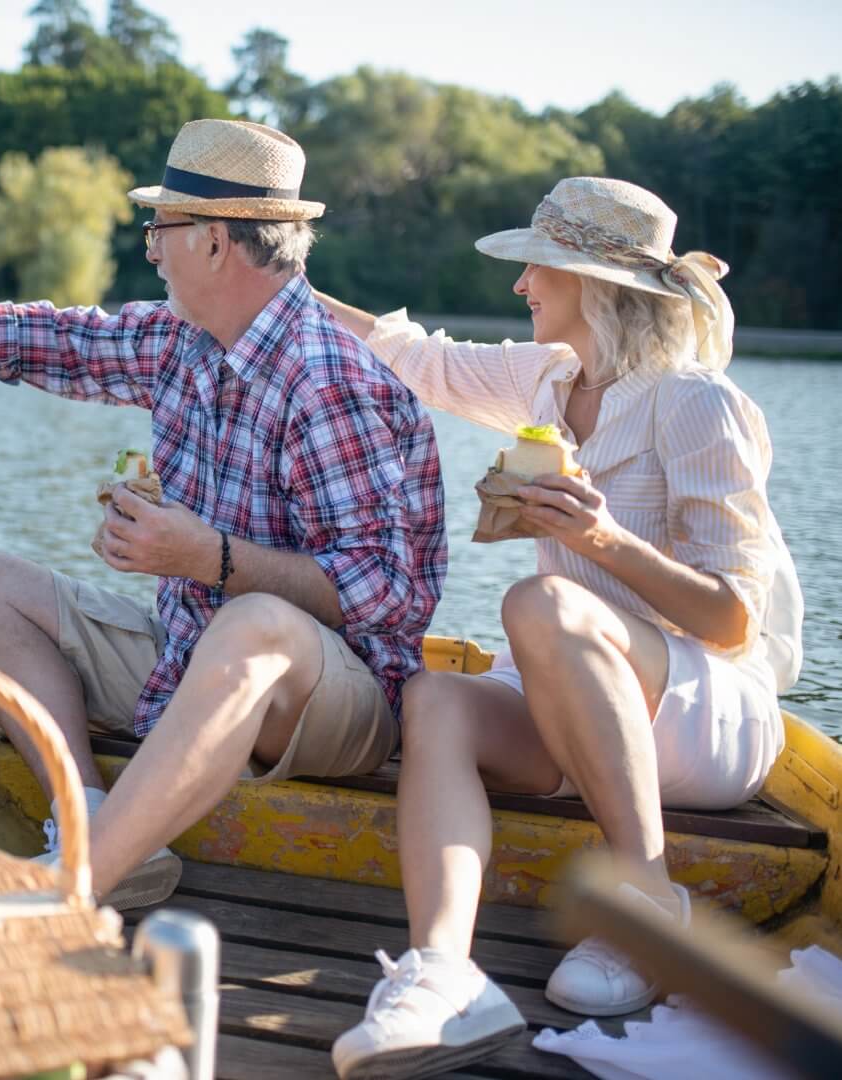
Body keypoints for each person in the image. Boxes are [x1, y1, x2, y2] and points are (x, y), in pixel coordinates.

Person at [0, 118, 447, 911]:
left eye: (158, 229)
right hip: (191, 656)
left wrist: (211, 558)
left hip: (338, 704)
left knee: (253, 623)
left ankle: (79, 883)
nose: (148, 247)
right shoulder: (183, 339)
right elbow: (66, 339)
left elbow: (392, 594)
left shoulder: (329, 382)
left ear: (214, 242)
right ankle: (93, 827)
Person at [319, 177, 804, 1080]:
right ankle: (443, 975)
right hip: (577, 691)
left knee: (537, 603)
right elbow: (413, 356)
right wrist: (276, 279)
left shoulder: (697, 404)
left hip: (710, 709)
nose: (520, 287)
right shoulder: (548, 378)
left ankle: (648, 900)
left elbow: (735, 618)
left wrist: (600, 538)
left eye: (535, 266)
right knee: (437, 699)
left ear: (589, 281)